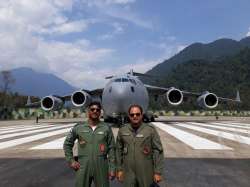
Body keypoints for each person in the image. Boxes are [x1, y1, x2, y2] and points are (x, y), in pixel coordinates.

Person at [63, 101, 116, 187]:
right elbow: (67, 144)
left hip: (101, 166)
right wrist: (71, 161)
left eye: (97, 110)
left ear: (100, 112)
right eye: (92, 109)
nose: (95, 111)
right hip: (83, 166)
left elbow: (112, 149)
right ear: (88, 111)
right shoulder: (79, 127)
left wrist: (113, 168)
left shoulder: (106, 128)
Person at [116, 104, 164, 187]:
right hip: (128, 172)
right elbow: (118, 151)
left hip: (146, 172)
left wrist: (157, 172)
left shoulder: (150, 130)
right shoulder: (122, 130)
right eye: (132, 115)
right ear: (129, 116)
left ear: (142, 115)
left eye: (137, 114)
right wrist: (119, 169)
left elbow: (158, 151)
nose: (135, 116)